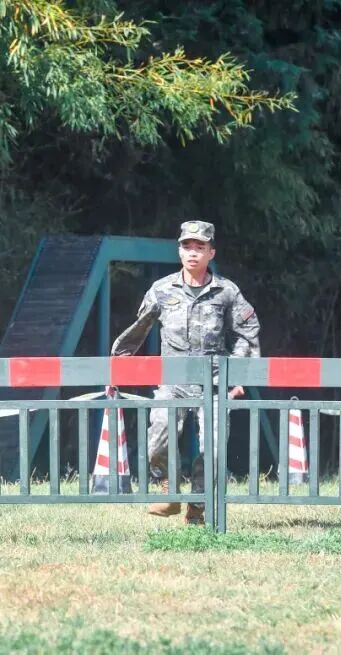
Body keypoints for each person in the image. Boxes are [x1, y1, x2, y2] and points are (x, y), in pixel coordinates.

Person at [111, 220, 260, 525]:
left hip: (214, 381)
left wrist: (240, 375)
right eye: (187, 247)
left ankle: (198, 505)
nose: (193, 253)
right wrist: (117, 364)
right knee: (157, 442)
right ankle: (169, 491)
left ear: (211, 252)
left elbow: (247, 333)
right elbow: (138, 330)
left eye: (200, 248)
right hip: (173, 381)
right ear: (179, 251)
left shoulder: (227, 291)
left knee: (214, 451)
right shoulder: (162, 290)